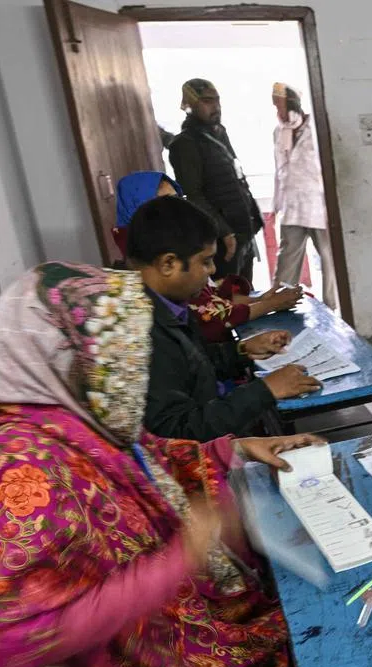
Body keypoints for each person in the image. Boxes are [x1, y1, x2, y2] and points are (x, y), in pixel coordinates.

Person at [0, 261, 321, 667]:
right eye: (115, 358)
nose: (127, 375)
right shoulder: (20, 473)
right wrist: (180, 558)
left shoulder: (60, 410)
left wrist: (239, 447)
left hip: (178, 616)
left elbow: (146, 455)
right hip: (144, 666)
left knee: (302, 645)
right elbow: (36, 629)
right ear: (64, 352)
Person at [128, 195, 321, 441]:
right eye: (206, 261)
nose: (212, 271)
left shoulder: (169, 304)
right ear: (168, 264)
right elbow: (179, 434)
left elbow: (192, 365)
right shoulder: (144, 334)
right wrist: (265, 390)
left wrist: (240, 351)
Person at [114, 171, 302, 343]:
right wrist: (269, 304)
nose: (180, 208)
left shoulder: (176, 251)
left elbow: (210, 298)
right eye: (167, 201)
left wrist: (258, 300)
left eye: (179, 198)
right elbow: (206, 314)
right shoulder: (148, 279)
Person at [168, 78, 263, 282]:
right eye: (207, 101)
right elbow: (194, 196)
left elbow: (235, 180)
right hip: (221, 240)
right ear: (190, 105)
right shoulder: (185, 144)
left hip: (243, 232)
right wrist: (224, 232)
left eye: (217, 100)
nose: (216, 106)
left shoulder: (219, 134)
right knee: (229, 302)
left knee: (247, 295)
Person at [271, 83, 337, 310]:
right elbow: (279, 172)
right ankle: (280, 305)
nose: (278, 111)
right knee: (287, 261)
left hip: (319, 205)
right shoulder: (279, 132)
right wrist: (276, 205)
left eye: (279, 104)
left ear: (292, 103)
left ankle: (333, 308)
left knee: (329, 260)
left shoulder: (315, 128)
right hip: (292, 205)